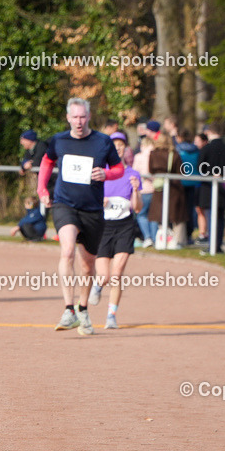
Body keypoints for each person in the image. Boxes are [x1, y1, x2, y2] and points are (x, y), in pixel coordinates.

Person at [37, 97, 123, 335]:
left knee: (87, 265)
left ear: (89, 116)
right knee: (66, 251)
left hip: (93, 210)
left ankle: (82, 309)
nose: (78, 121)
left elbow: (119, 169)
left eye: (82, 116)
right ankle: (68, 309)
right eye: (74, 117)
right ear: (68, 118)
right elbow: (46, 162)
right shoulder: (58, 140)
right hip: (64, 204)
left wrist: (106, 174)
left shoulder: (103, 142)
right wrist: (42, 189)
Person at [89, 132, 143, 329]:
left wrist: (136, 190)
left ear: (125, 148)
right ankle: (97, 286)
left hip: (125, 226)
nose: (118, 147)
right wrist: (99, 202)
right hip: (104, 226)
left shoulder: (132, 174)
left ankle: (111, 316)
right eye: (114, 144)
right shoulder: (100, 173)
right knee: (103, 276)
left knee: (117, 273)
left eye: (121, 144)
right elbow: (90, 200)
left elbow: (137, 208)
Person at [196, 123, 225, 254]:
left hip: (209, 189)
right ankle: (217, 244)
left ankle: (212, 245)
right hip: (224, 188)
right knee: (220, 218)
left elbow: (200, 167)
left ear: (209, 132)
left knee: (211, 216)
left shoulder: (206, 149)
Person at [148, 131, 187, 248]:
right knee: (178, 218)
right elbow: (182, 171)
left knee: (161, 217)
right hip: (174, 189)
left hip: (159, 189)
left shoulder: (153, 154)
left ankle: (163, 240)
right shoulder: (174, 154)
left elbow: (151, 170)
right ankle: (178, 242)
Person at [131, 122, 160, 247]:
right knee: (153, 215)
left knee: (141, 214)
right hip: (155, 188)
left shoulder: (139, 156)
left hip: (143, 189)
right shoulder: (156, 155)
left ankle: (147, 237)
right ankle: (154, 238)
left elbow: (135, 171)